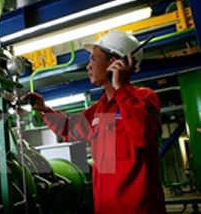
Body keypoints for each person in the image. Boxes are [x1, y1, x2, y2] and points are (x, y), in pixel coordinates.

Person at [22, 30, 166, 214]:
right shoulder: (100, 109)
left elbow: (142, 137)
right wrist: (45, 110)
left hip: (138, 208)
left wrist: (121, 89)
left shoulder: (143, 98)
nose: (88, 66)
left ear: (115, 63)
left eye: (94, 59)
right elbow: (68, 128)